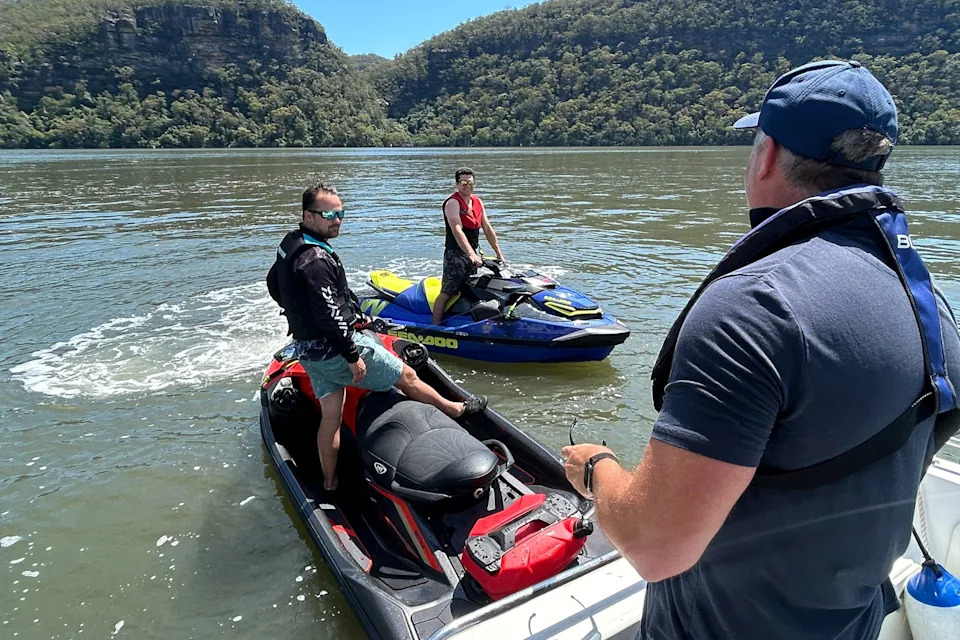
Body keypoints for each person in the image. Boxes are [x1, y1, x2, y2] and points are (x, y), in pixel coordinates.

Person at [562, 60, 960, 639]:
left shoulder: (754, 308)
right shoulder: (933, 310)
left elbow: (655, 545)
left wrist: (598, 468)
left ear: (767, 154)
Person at [267, 183, 487, 491]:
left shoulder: (291, 242)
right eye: (328, 215)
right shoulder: (316, 259)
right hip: (335, 350)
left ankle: (329, 482)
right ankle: (455, 409)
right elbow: (330, 315)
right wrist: (352, 356)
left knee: (331, 417)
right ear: (308, 216)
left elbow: (274, 282)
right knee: (407, 376)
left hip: (308, 351)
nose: (337, 220)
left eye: (340, 213)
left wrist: (297, 308)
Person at [432, 167, 507, 326]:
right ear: (457, 184)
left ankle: (468, 322)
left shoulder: (477, 202)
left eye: (470, 183)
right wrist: (471, 254)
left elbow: (487, 228)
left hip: (473, 256)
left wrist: (498, 253)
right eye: (464, 183)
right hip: (455, 255)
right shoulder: (453, 203)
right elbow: (457, 230)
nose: (468, 186)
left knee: (470, 289)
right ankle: (435, 326)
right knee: (447, 292)